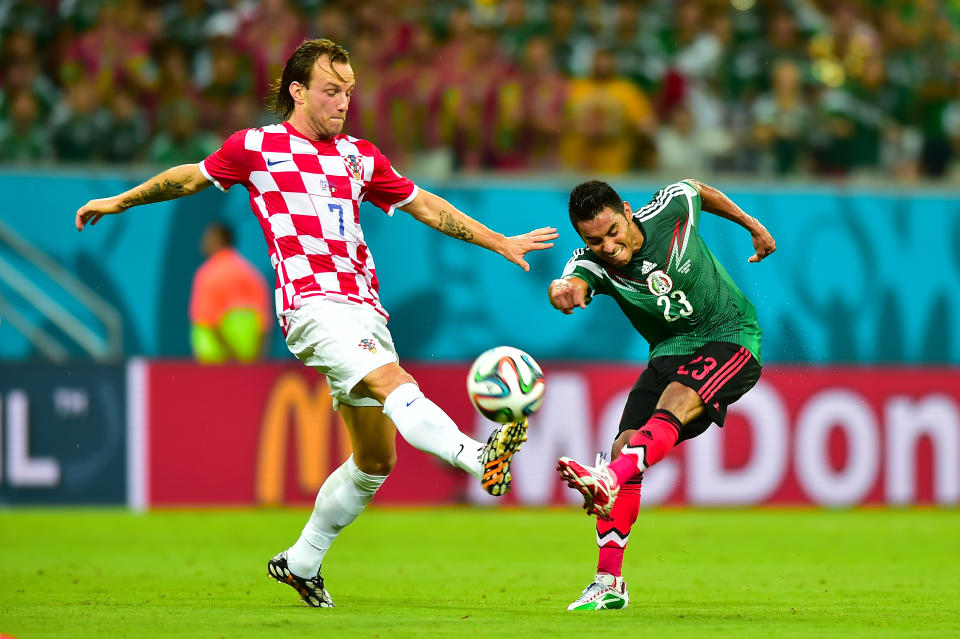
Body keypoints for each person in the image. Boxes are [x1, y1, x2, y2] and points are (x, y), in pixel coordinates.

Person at [75, 38, 558, 608]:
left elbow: (427, 205)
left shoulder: (360, 155)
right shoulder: (255, 147)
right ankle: (478, 457)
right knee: (393, 384)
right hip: (311, 303)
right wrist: (120, 200)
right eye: (332, 90)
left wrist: (497, 240)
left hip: (365, 308)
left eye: (349, 91)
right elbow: (187, 179)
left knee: (376, 460)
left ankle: (301, 561)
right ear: (297, 91)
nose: (343, 102)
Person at [549, 179, 775, 610]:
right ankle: (609, 582)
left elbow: (698, 189)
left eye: (612, 231)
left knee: (672, 401)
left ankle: (608, 479)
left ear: (628, 212)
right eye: (593, 240)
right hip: (668, 353)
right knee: (624, 446)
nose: (608, 246)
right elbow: (572, 282)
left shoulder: (670, 210)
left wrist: (752, 224)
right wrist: (562, 291)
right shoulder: (593, 265)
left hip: (730, 336)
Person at [189, 221, 271, 364]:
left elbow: (207, 319)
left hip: (216, 358)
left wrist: (230, 354)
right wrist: (257, 356)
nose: (203, 241)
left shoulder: (206, 274)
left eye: (208, 237)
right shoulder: (250, 272)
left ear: (219, 240)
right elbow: (264, 320)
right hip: (248, 356)